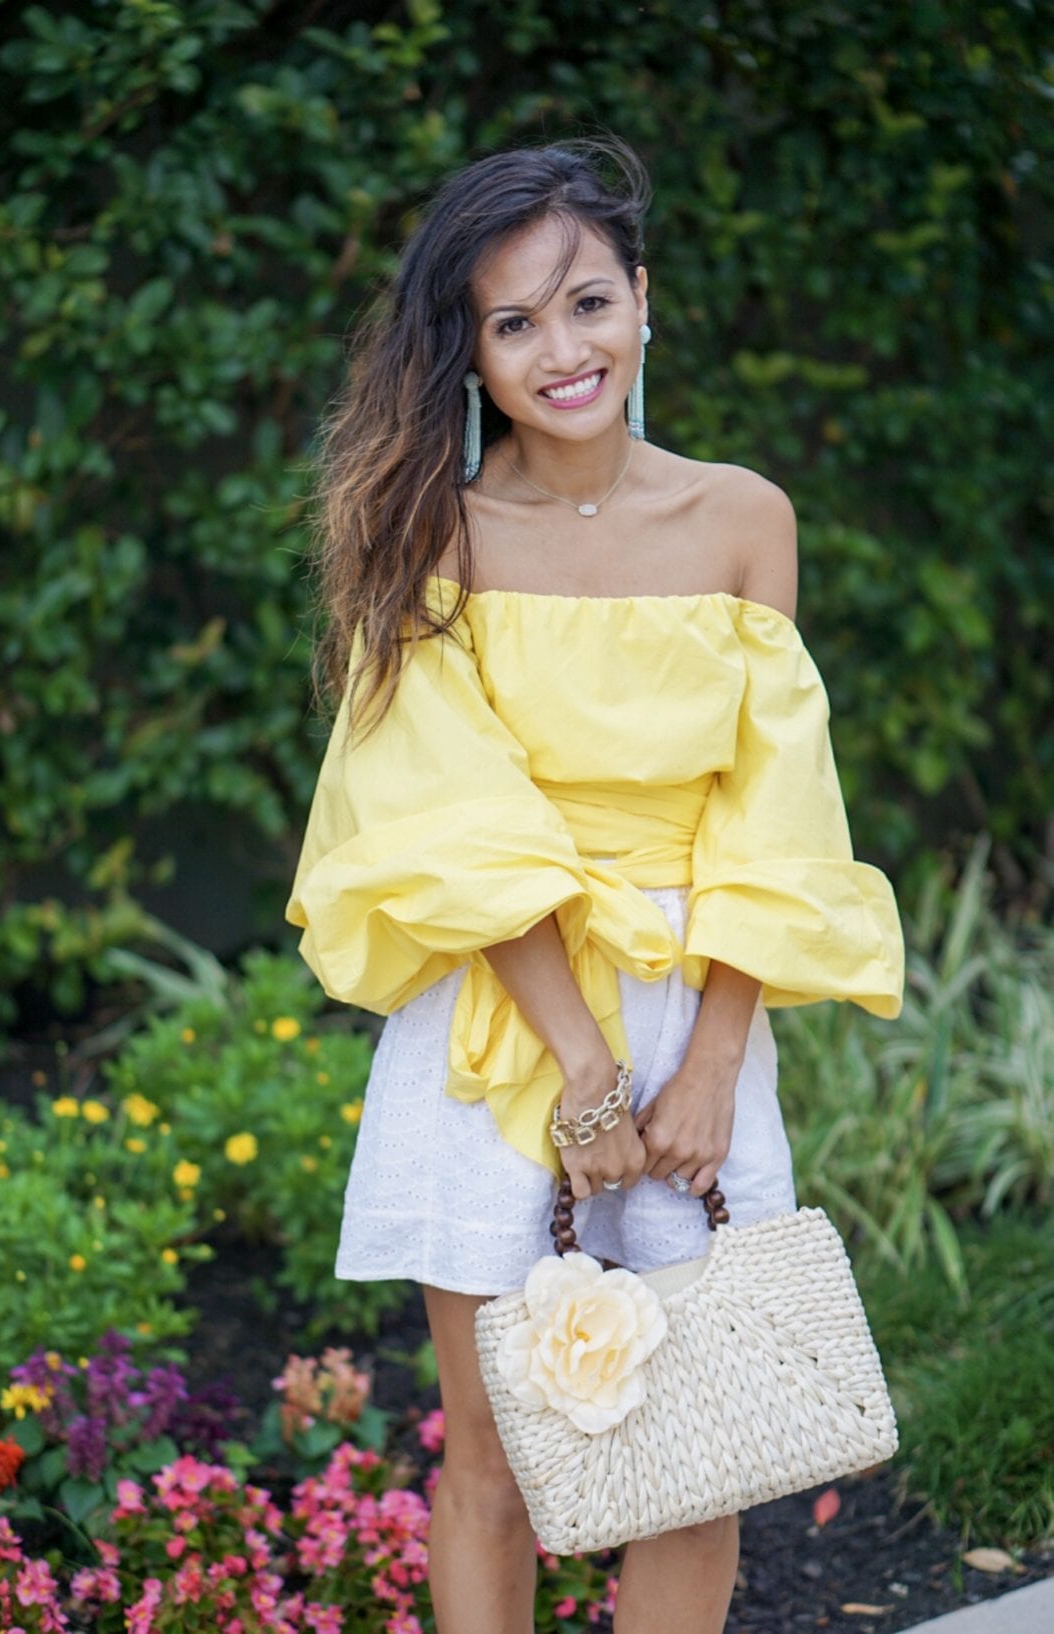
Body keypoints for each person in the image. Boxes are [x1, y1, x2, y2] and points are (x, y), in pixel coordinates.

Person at [284, 138, 905, 1634]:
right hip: (503, 1021)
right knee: (490, 1448)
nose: (561, 351)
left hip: (698, 1021)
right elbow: (453, 821)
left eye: (585, 303)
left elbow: (777, 815)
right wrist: (583, 1073)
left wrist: (712, 1060)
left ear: (645, 301)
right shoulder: (427, 533)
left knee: (701, 1451)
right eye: (513, 324)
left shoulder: (746, 518)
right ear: (472, 357)